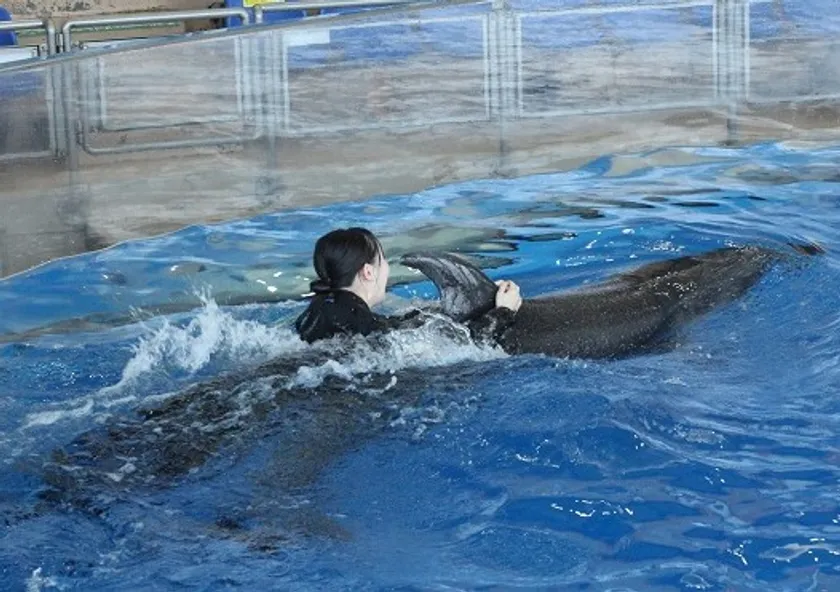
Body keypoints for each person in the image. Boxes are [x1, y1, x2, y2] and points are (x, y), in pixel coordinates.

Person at [294, 227, 522, 344]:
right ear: (368, 272)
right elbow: (468, 344)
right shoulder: (359, 322)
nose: (386, 269)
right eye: (383, 260)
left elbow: (396, 328)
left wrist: (478, 301)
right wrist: (504, 311)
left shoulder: (318, 312)